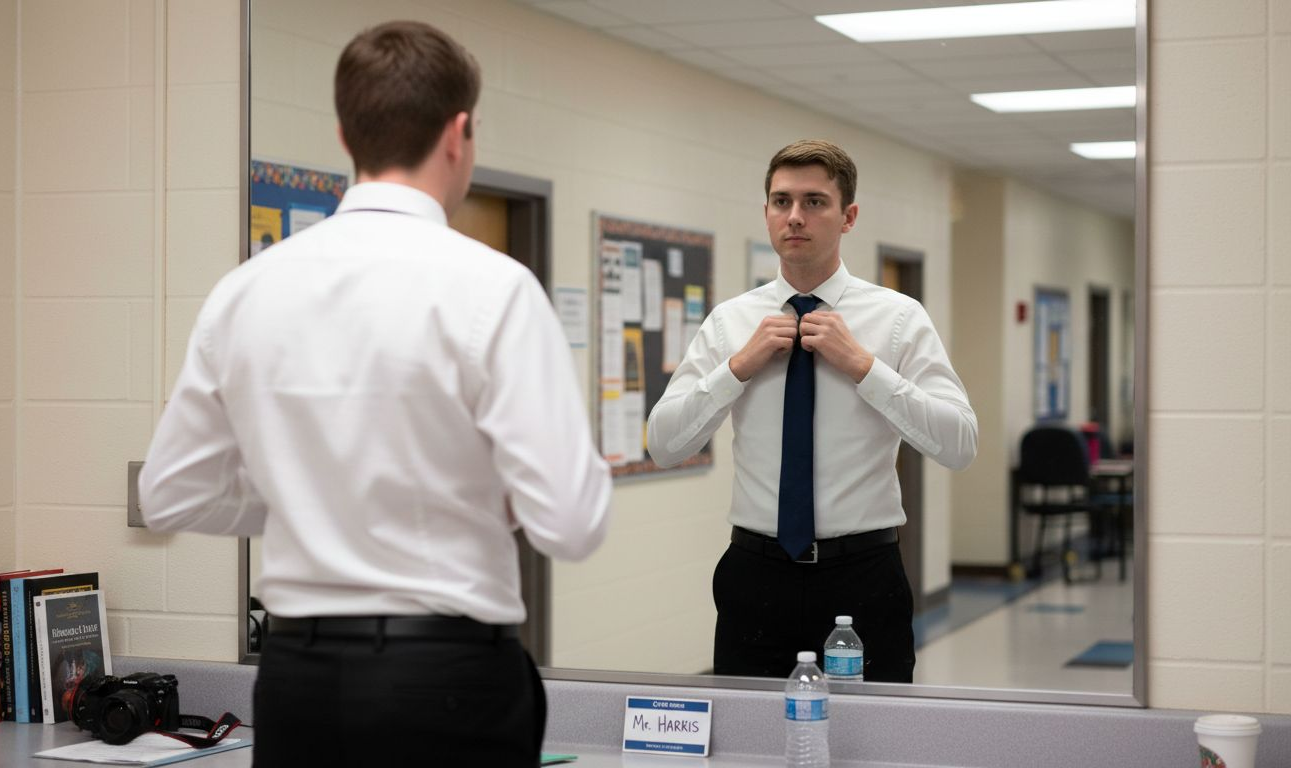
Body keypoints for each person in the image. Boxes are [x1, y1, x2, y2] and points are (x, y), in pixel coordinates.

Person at [139, 20, 611, 766]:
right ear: (458, 134)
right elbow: (573, 523)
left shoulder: (246, 291)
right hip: (447, 680)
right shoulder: (495, 289)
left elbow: (170, 494)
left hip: (296, 681)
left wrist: (309, 498)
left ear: (344, 134)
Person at [647, 139, 976, 683]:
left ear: (849, 217)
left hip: (863, 576)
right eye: (782, 201)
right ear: (767, 212)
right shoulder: (731, 322)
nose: (795, 216)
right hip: (755, 575)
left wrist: (865, 367)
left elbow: (960, 444)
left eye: (814, 202)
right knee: (749, 731)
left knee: (872, 730)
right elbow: (663, 444)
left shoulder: (898, 318)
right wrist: (736, 368)